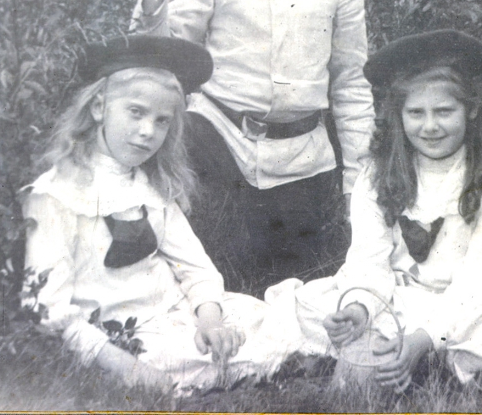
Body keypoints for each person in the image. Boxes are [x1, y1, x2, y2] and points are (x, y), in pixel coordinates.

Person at [128, 0, 374, 295]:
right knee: (220, 287)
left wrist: (356, 184)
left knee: (306, 296)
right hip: (220, 151)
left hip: (304, 160)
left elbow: (351, 83)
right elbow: (162, 62)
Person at [276, 30, 482, 391]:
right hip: (395, 298)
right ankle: (417, 356)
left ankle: (426, 354)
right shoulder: (376, 176)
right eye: (416, 113)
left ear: (470, 110)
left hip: (468, 305)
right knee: (306, 304)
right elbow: (369, 262)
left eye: (444, 111)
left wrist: (425, 337)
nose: (430, 126)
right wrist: (358, 309)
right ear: (399, 114)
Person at [19, 35, 291, 393]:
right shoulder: (55, 195)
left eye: (162, 121)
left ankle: (269, 354)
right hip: (121, 338)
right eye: (136, 112)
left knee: (268, 318)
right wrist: (125, 366)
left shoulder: (150, 187)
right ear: (99, 107)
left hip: (175, 313)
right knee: (202, 358)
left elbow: (195, 267)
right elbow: (45, 307)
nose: (148, 131)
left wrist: (210, 321)